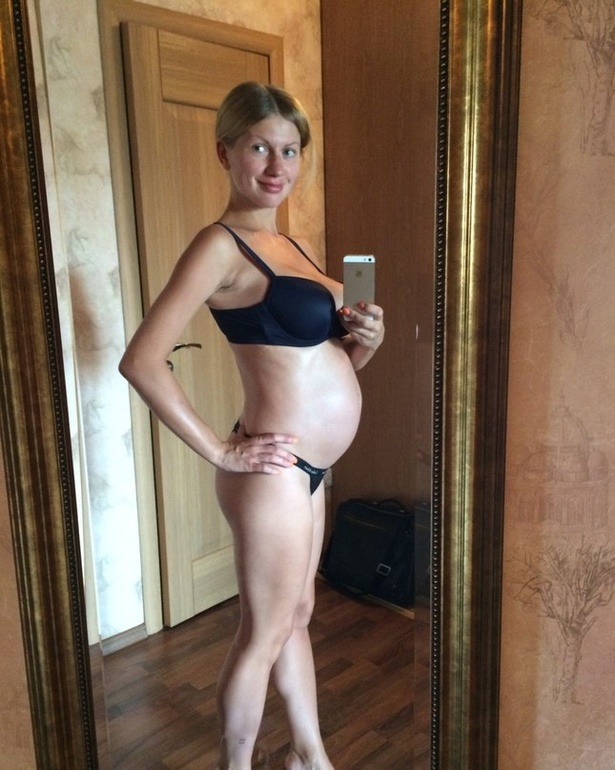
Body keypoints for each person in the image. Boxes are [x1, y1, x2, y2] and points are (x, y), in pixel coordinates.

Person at [119, 80, 384, 770]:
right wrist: (220, 451)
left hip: (310, 472)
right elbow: (141, 361)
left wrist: (366, 340)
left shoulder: (295, 244)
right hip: (273, 470)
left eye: (289, 150)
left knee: (297, 617)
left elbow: (330, 359)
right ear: (225, 152)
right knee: (262, 632)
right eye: (259, 147)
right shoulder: (219, 246)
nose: (276, 165)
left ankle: (308, 756)